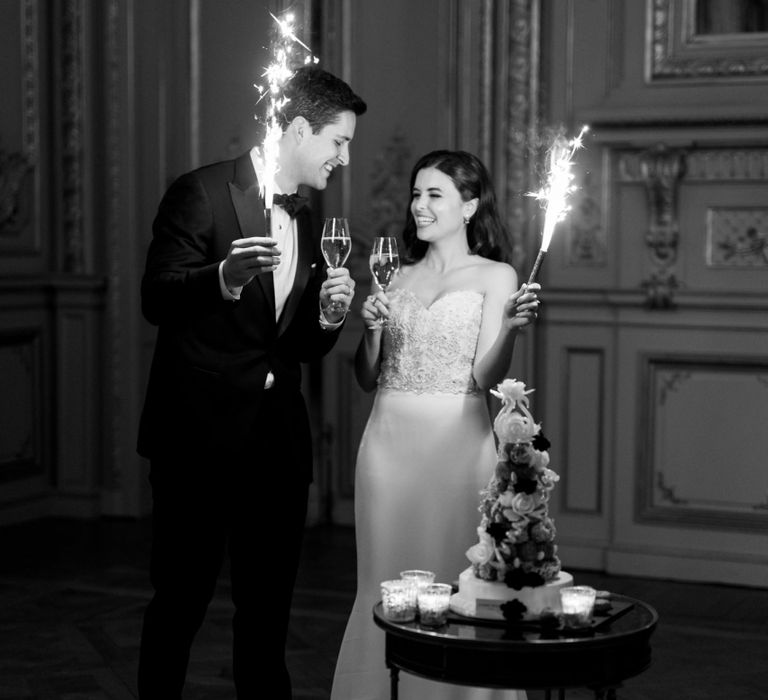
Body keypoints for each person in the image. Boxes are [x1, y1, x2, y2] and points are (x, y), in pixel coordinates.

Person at [136, 65, 366, 700]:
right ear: (298, 128)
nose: (344, 158)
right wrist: (222, 279)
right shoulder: (200, 192)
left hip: (276, 450)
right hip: (197, 444)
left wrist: (329, 313)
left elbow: (290, 347)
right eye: (338, 142)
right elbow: (156, 296)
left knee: (267, 619)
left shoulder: (311, 221)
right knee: (180, 604)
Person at [331, 150, 540, 700]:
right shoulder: (392, 272)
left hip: (458, 445)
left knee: (456, 578)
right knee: (383, 580)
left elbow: (486, 376)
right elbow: (365, 376)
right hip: (387, 446)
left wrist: (511, 331)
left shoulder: (496, 276)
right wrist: (371, 330)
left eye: (434, 194)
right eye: (416, 193)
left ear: (470, 205)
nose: (418, 205)